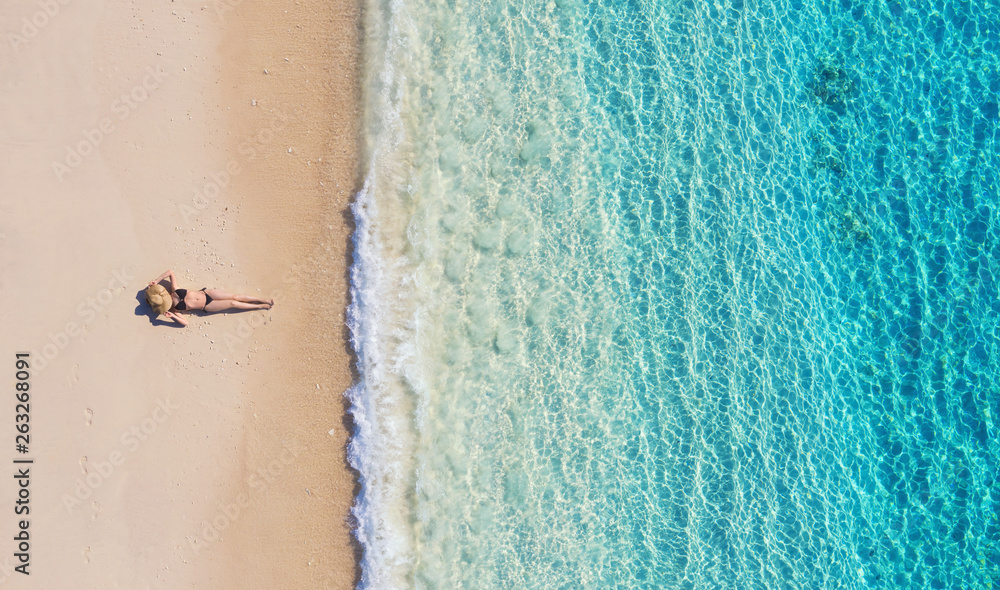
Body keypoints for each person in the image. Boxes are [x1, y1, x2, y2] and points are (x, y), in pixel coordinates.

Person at [145, 269, 273, 327]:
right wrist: (172, 316)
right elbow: (186, 323)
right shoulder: (175, 310)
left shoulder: (174, 290)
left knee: (235, 296)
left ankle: (263, 300)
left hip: (207, 294)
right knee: (233, 303)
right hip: (206, 306)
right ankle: (259, 306)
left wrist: (157, 281)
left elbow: (170, 272)